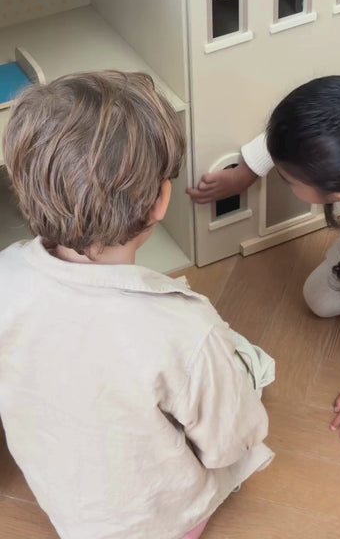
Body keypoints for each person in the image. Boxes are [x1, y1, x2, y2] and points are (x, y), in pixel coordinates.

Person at [0, 70, 275, 539]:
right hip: (157, 523)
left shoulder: (7, 272)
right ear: (161, 201)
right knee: (251, 365)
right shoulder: (185, 330)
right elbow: (229, 443)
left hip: (69, 512)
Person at [188, 75, 340, 442]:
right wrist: (245, 173)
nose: (284, 180)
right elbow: (290, 141)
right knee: (318, 300)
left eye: (289, 180)